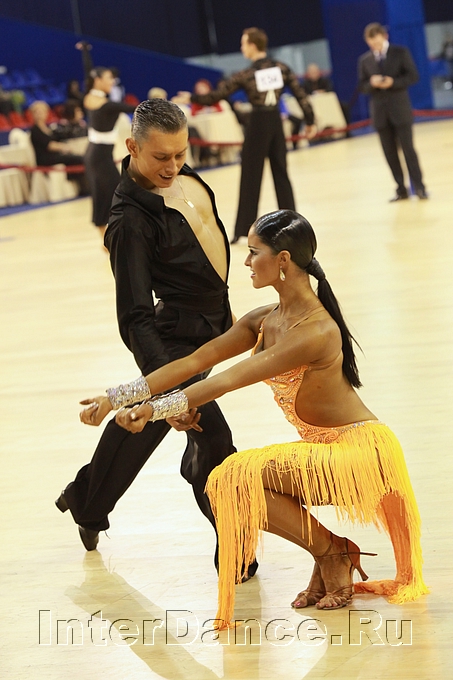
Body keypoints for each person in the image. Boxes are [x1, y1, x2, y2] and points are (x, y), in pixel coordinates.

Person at [80, 209, 428, 627]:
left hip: (360, 454)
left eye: (253, 252)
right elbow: (194, 361)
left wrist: (154, 410)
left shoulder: (315, 330)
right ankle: (330, 551)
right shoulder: (264, 319)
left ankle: (332, 552)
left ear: (283, 260)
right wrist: (115, 397)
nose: (245, 261)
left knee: (231, 477)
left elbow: (228, 380)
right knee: (230, 481)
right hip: (323, 451)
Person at [55, 99, 255, 578]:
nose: (173, 166)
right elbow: (135, 318)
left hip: (212, 328)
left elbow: (204, 249)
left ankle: (87, 502)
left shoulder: (180, 171)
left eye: (181, 154)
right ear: (132, 147)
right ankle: (235, 545)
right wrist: (170, 389)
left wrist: (223, 310)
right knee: (212, 435)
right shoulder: (129, 222)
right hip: (173, 343)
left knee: (143, 426)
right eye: (161, 157)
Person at [179, 27, 316, 243]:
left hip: (258, 123)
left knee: (250, 176)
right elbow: (301, 96)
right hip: (275, 123)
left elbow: (218, 94)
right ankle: (292, 226)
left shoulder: (247, 73)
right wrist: (310, 120)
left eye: (243, 44)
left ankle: (243, 230)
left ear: (253, 45)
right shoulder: (281, 68)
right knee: (281, 174)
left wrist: (192, 98)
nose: (242, 48)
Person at [358, 22, 427, 201]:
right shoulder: (365, 60)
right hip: (380, 114)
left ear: (384, 37)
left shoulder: (400, 52)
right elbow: (362, 86)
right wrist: (371, 83)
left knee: (408, 150)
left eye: (377, 41)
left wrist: (393, 82)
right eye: (371, 42)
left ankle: (419, 187)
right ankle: (400, 188)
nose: (375, 45)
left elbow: (413, 76)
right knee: (389, 153)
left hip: (400, 110)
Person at [83, 67, 136, 238]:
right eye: (109, 78)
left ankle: (112, 235)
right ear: (98, 80)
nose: (112, 81)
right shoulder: (104, 103)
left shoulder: (92, 98)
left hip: (98, 155)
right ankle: (108, 237)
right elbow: (130, 107)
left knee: (111, 193)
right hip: (98, 157)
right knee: (110, 193)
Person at [29, 100, 86, 193]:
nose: (40, 115)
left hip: (54, 156)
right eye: (37, 112)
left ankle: (78, 184)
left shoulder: (47, 128)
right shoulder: (35, 130)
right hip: (45, 159)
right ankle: (82, 186)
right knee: (77, 159)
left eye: (42, 112)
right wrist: (65, 147)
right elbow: (49, 145)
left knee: (75, 158)